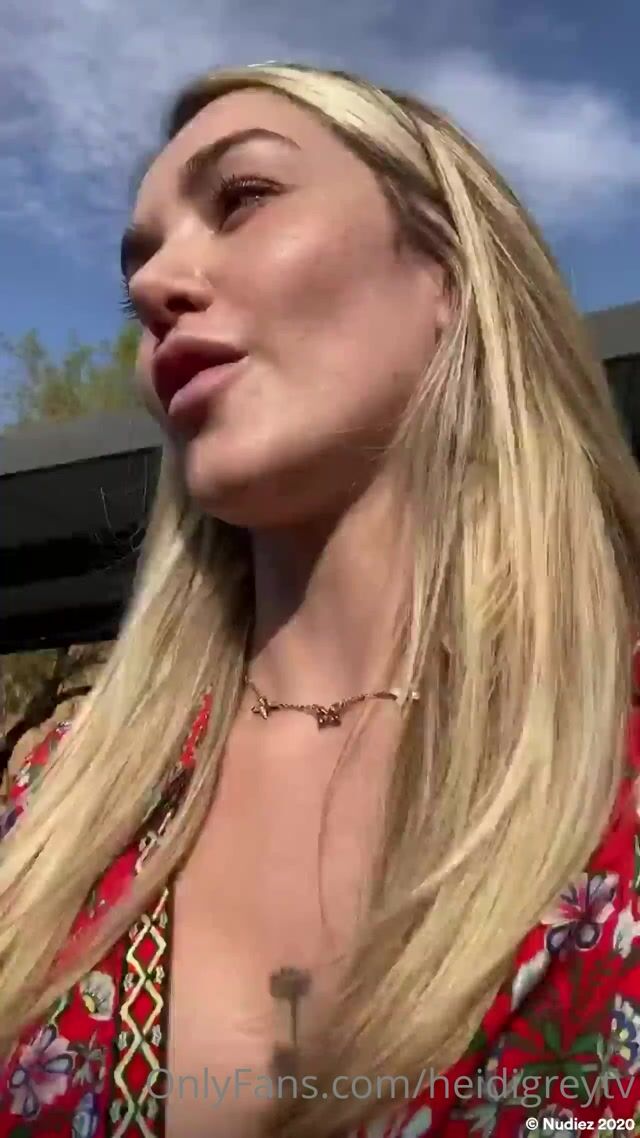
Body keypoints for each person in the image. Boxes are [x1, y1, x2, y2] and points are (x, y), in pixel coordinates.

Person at [1, 60, 640, 1138]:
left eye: (243, 198)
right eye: (136, 268)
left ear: (445, 274)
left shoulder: (614, 754)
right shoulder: (46, 813)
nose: (156, 288)